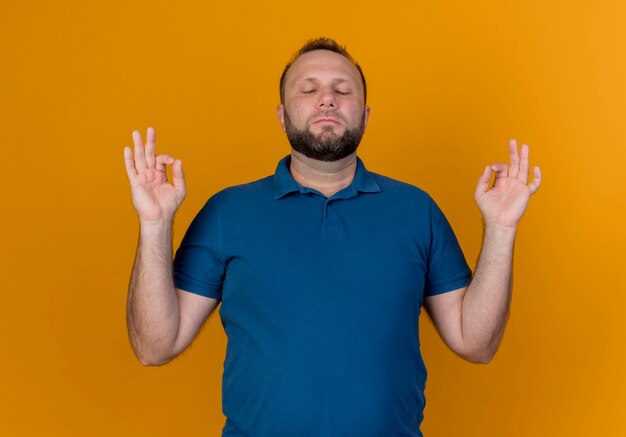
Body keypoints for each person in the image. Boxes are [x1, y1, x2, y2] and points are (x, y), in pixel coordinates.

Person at [123, 37, 542, 436]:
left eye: (343, 90)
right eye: (309, 89)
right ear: (282, 115)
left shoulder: (417, 211)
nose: (328, 99)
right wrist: (155, 224)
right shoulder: (227, 212)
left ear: (365, 114)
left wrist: (501, 229)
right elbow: (154, 346)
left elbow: (477, 342)